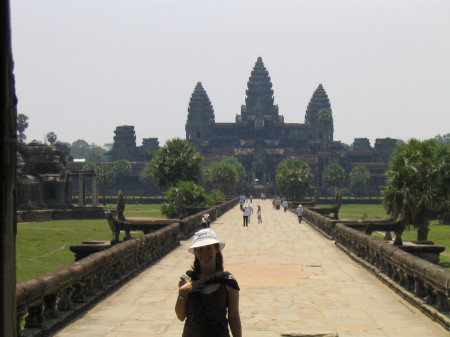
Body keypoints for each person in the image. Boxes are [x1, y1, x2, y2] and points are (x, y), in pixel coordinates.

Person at [175, 229, 242, 337]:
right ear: (196, 252)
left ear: (216, 249)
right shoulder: (187, 280)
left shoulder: (228, 281)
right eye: (200, 249)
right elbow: (181, 316)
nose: (204, 253)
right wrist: (182, 293)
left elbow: (234, 317)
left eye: (208, 248)